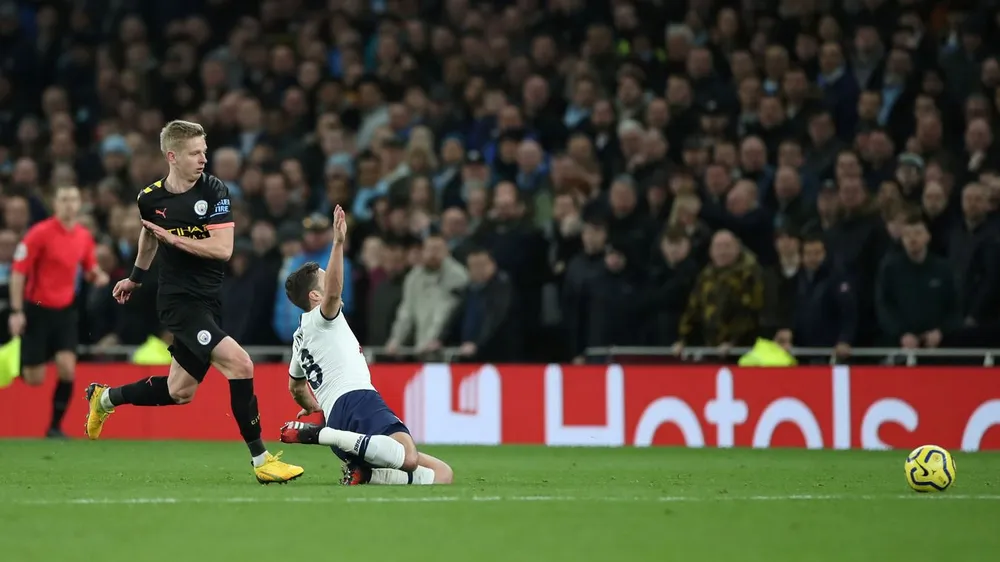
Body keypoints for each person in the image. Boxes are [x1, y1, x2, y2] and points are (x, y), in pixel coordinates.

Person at [83, 120, 304, 484]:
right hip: (178, 302)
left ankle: (104, 398)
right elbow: (150, 238)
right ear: (173, 156)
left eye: (205, 151)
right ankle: (262, 460)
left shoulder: (215, 190)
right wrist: (135, 278)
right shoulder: (150, 198)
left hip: (208, 300)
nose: (204, 158)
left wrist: (174, 239)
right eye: (195, 153)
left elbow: (222, 249)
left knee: (179, 391)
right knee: (241, 364)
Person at [280, 205, 454, 486]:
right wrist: (338, 242)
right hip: (358, 401)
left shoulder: (300, 338)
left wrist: (313, 404)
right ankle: (317, 434)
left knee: (442, 475)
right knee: (408, 458)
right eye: (326, 278)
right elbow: (334, 292)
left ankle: (366, 474)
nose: (334, 281)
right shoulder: (322, 319)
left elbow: (296, 387)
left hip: (339, 420)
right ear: (315, 296)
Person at [9, 185, 109, 438]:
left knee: (67, 368)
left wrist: (97, 276)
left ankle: (54, 427)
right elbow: (19, 272)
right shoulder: (39, 234)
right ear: (56, 204)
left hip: (65, 311)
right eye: (64, 199)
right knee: (34, 378)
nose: (69, 204)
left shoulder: (83, 237)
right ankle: (20, 360)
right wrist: (17, 310)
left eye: (73, 199)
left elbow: (89, 267)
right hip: (38, 310)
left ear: (79, 204)